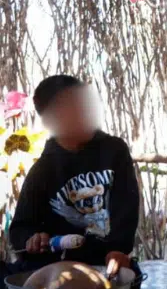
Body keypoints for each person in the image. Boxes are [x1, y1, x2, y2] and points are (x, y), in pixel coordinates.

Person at [7, 75, 142, 282]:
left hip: (104, 262)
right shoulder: (43, 169)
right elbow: (19, 230)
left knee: (125, 277)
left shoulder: (114, 151)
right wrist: (32, 239)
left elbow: (127, 208)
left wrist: (117, 250)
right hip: (53, 266)